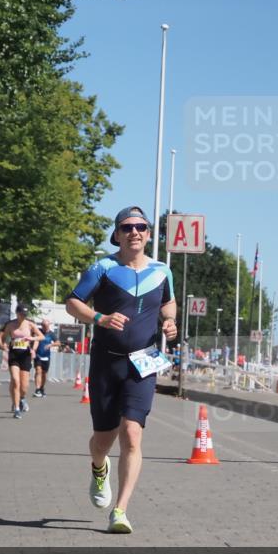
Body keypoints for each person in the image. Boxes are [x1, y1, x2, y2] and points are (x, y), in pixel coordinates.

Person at [66, 206, 177, 534]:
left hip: (143, 363)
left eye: (141, 226)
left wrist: (169, 321)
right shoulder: (103, 267)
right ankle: (99, 470)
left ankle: (121, 510)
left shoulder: (162, 271)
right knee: (103, 439)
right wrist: (99, 318)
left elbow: (168, 302)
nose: (135, 232)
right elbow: (73, 302)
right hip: (106, 362)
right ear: (117, 233)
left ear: (148, 233)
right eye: (127, 227)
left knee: (132, 432)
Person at [0, 304, 44, 419]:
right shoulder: (10, 325)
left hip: (25, 356)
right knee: (15, 380)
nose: (24, 316)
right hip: (14, 354)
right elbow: (0, 337)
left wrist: (31, 339)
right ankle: (17, 408)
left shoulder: (30, 324)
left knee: (24, 386)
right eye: (22, 314)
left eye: (25, 315)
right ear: (17, 313)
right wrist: (3, 346)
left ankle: (21, 398)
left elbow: (41, 336)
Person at [33, 319, 55, 397]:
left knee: (44, 374)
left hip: (46, 356)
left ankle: (42, 387)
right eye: (43, 325)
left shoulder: (51, 334)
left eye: (45, 326)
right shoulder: (38, 332)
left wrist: (50, 345)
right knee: (38, 371)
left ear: (48, 326)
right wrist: (33, 350)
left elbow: (58, 342)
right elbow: (36, 340)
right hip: (38, 355)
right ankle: (37, 389)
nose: (44, 327)